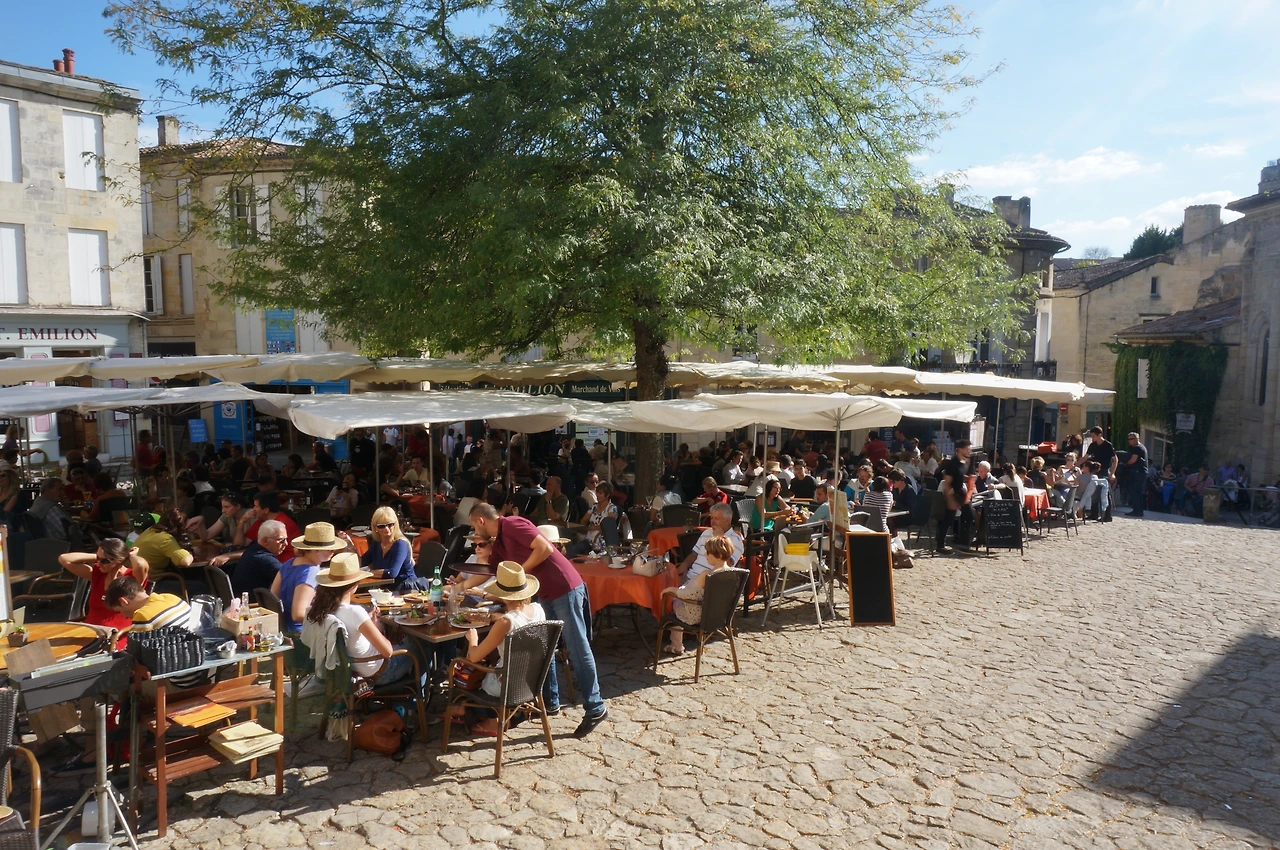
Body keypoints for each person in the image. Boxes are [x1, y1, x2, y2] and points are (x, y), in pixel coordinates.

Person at [464, 503, 608, 737]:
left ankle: (596, 708)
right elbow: (491, 573)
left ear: (481, 520)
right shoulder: (498, 543)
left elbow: (544, 548)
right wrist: (461, 587)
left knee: (577, 649)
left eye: (474, 526)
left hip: (564, 587)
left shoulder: (512, 524)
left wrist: (520, 573)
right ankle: (550, 703)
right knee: (543, 648)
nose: (475, 533)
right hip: (544, 592)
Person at [304, 553, 421, 686]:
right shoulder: (355, 612)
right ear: (353, 586)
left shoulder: (323, 610)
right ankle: (418, 693)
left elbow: (352, 630)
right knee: (420, 645)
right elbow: (387, 651)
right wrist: (376, 626)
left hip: (351, 670)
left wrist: (368, 622)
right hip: (379, 674)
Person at [460, 560, 548, 736]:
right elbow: (519, 620)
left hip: (506, 685)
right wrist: (500, 618)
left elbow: (474, 656)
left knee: (466, 670)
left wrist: (473, 639)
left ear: (503, 595)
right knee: (493, 660)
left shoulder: (506, 622)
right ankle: (501, 713)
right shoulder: (538, 609)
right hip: (532, 681)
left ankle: (490, 720)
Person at [661, 535, 734, 656]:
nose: (705, 555)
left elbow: (686, 594)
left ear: (719, 555)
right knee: (679, 601)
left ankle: (676, 645)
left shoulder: (707, 575)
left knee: (674, 602)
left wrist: (670, 590)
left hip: (697, 616)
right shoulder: (734, 573)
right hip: (720, 617)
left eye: (708, 552)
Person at [274, 522, 348, 631]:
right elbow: (298, 615)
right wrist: (329, 623)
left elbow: (273, 597)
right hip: (301, 633)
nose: (334, 552)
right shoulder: (311, 572)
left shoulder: (289, 563)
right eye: (330, 549)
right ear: (316, 550)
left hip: (282, 629)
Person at [215, 520, 288, 598]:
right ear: (265, 541)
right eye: (281, 540)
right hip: (251, 603)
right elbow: (290, 578)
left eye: (286, 539)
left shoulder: (253, 549)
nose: (286, 544)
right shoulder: (264, 559)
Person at [361, 506, 426, 591]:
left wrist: (367, 573)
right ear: (375, 527)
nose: (386, 529)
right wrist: (350, 546)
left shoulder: (400, 544)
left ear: (395, 524)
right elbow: (362, 562)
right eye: (381, 526)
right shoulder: (377, 544)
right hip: (386, 589)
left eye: (390, 525)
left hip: (406, 590)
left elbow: (392, 573)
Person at [236, 492, 301, 561]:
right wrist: (242, 521)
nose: (253, 509)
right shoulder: (261, 521)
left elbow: (260, 552)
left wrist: (231, 556)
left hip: (287, 562)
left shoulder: (280, 525)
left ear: (266, 510)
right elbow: (239, 544)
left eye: (256, 506)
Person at [936, 439, 974, 554]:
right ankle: (940, 545)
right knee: (948, 519)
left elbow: (960, 476)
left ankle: (963, 543)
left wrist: (968, 479)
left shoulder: (965, 462)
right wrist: (950, 498)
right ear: (960, 450)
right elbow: (947, 482)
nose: (969, 451)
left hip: (961, 492)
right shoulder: (952, 464)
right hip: (953, 493)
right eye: (967, 449)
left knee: (969, 515)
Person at [1084, 426, 1118, 520]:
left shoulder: (1108, 445)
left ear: (1100, 435)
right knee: (1094, 491)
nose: (1092, 438)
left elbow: (1115, 460)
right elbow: (1085, 457)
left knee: (1105, 493)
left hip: (1104, 471)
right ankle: (1094, 514)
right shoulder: (1093, 445)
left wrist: (1112, 473)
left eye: (1094, 436)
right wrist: (1075, 465)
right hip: (1094, 471)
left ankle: (1107, 515)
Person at [1122, 432, 1148, 517]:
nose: (1129, 441)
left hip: (1138, 472)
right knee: (1138, 492)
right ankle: (1138, 510)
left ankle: (1137, 510)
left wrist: (1125, 464)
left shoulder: (1137, 448)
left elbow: (1133, 459)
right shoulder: (1140, 447)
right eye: (1129, 439)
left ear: (1137, 439)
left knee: (1134, 491)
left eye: (1131, 439)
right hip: (1141, 472)